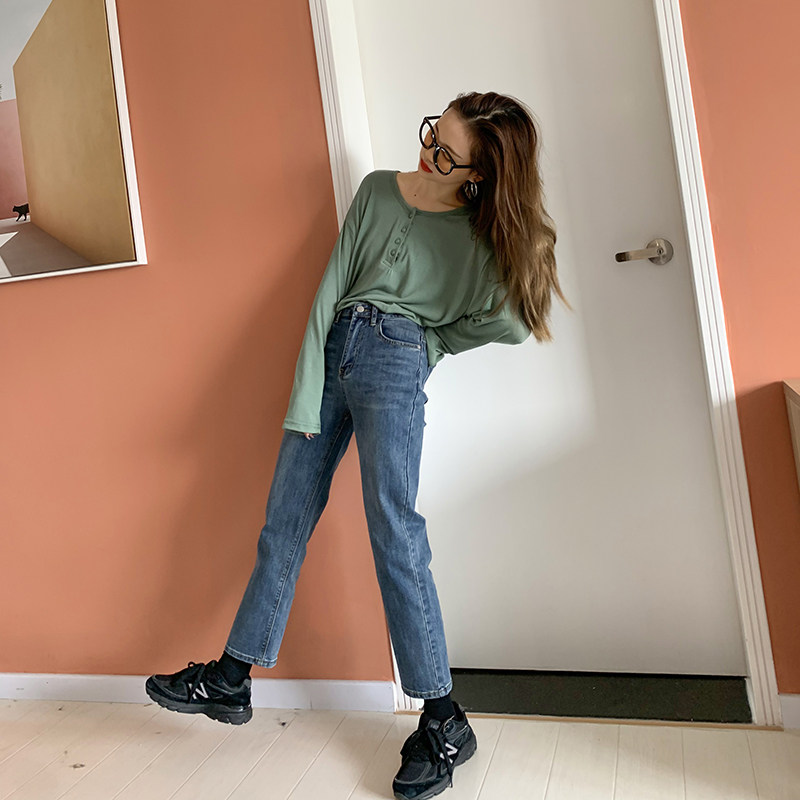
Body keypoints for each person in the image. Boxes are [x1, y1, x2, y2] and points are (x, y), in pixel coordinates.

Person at [145, 90, 571, 800]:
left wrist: (428, 342)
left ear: (478, 176)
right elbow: (330, 291)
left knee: (394, 533)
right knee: (283, 522)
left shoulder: (480, 236)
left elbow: (512, 322)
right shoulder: (376, 191)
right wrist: (305, 388)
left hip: (395, 361)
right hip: (335, 353)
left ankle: (443, 718)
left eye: (447, 155)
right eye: (432, 134)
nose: (428, 154)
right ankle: (232, 677)